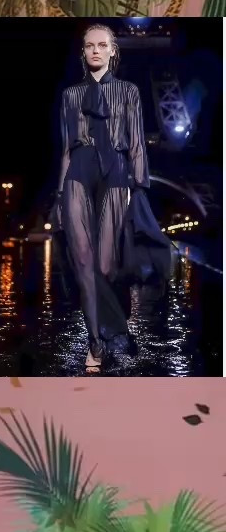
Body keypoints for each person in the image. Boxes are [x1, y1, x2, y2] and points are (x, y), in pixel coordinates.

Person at [54, 22, 169, 373]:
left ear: (113, 51)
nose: (95, 50)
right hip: (78, 172)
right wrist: (59, 194)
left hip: (117, 173)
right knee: (83, 262)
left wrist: (139, 189)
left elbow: (136, 143)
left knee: (105, 266)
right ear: (83, 51)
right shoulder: (71, 95)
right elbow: (66, 148)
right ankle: (96, 343)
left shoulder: (128, 92)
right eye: (90, 45)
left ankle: (114, 327)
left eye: (102, 45)